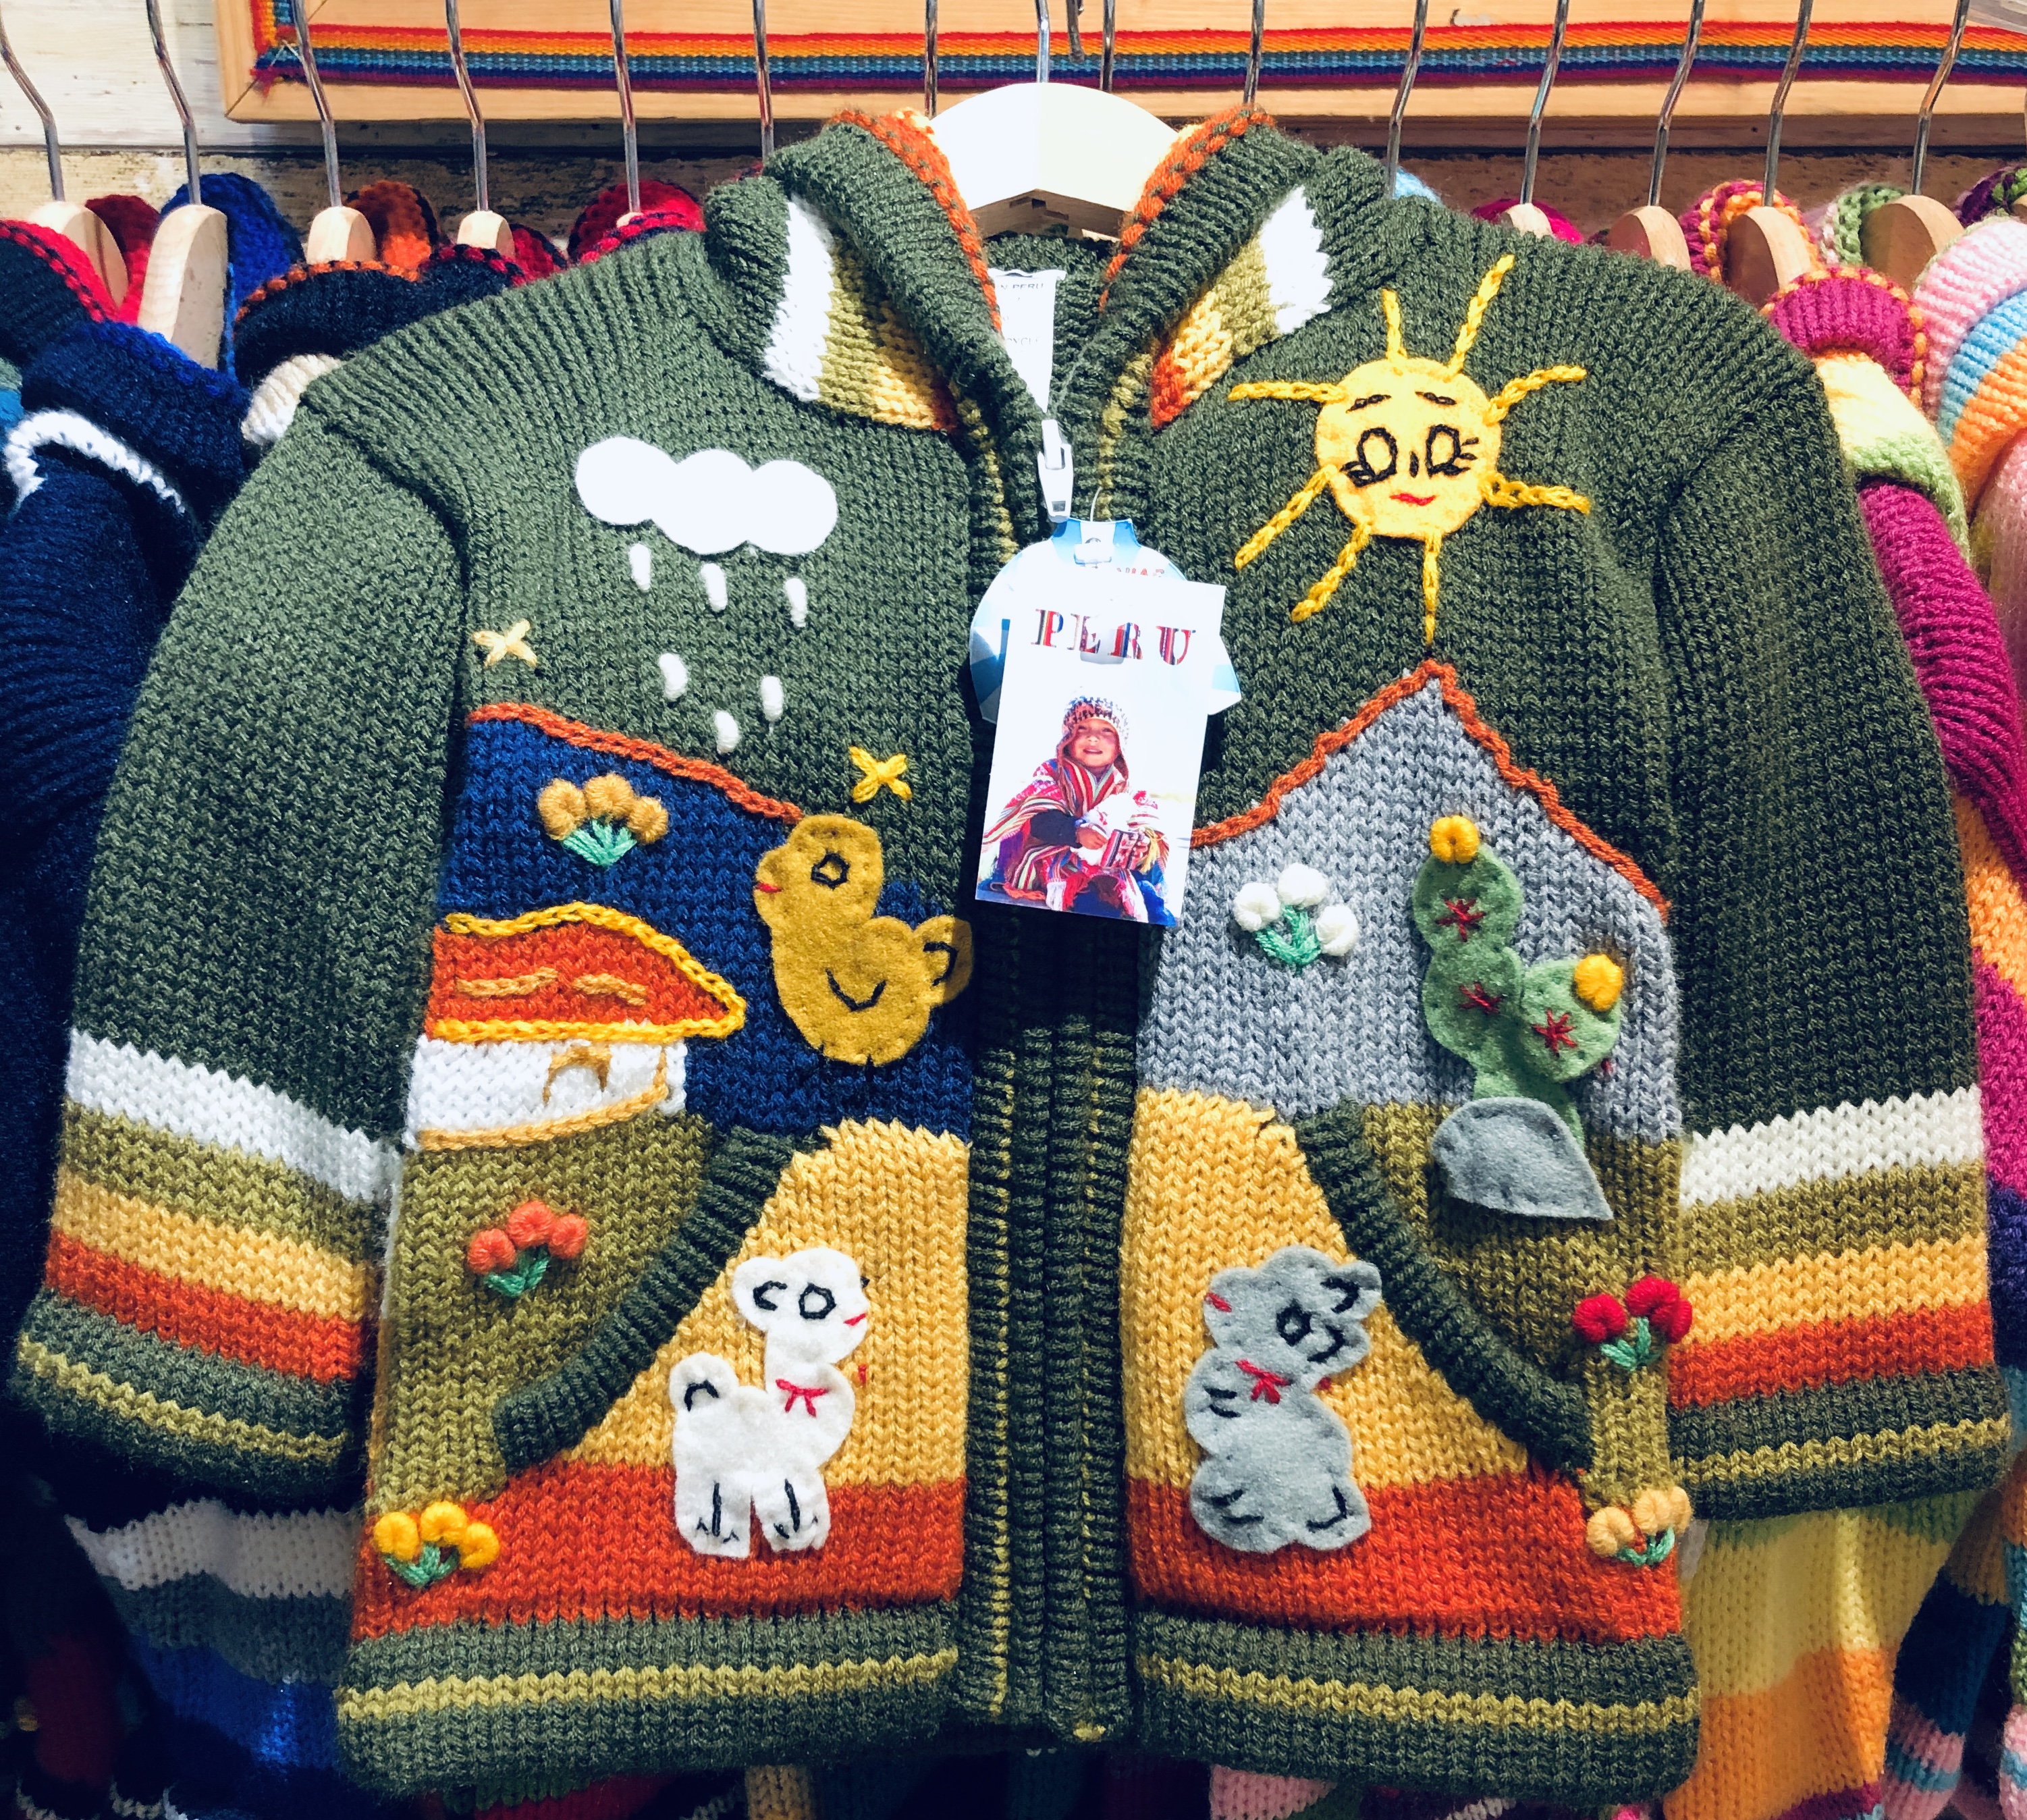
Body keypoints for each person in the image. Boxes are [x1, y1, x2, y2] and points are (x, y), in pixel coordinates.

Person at [981, 697, 1172, 924]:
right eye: (1082, 729)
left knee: (1147, 892)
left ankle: (1156, 915)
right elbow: (1038, 818)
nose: (1093, 737)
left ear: (1120, 744)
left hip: (1114, 862)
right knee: (1090, 900)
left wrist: (1142, 844)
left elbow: (1145, 820)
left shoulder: (1125, 785)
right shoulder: (1055, 774)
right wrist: (1076, 832)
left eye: (1106, 731)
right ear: (1067, 738)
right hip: (1061, 857)